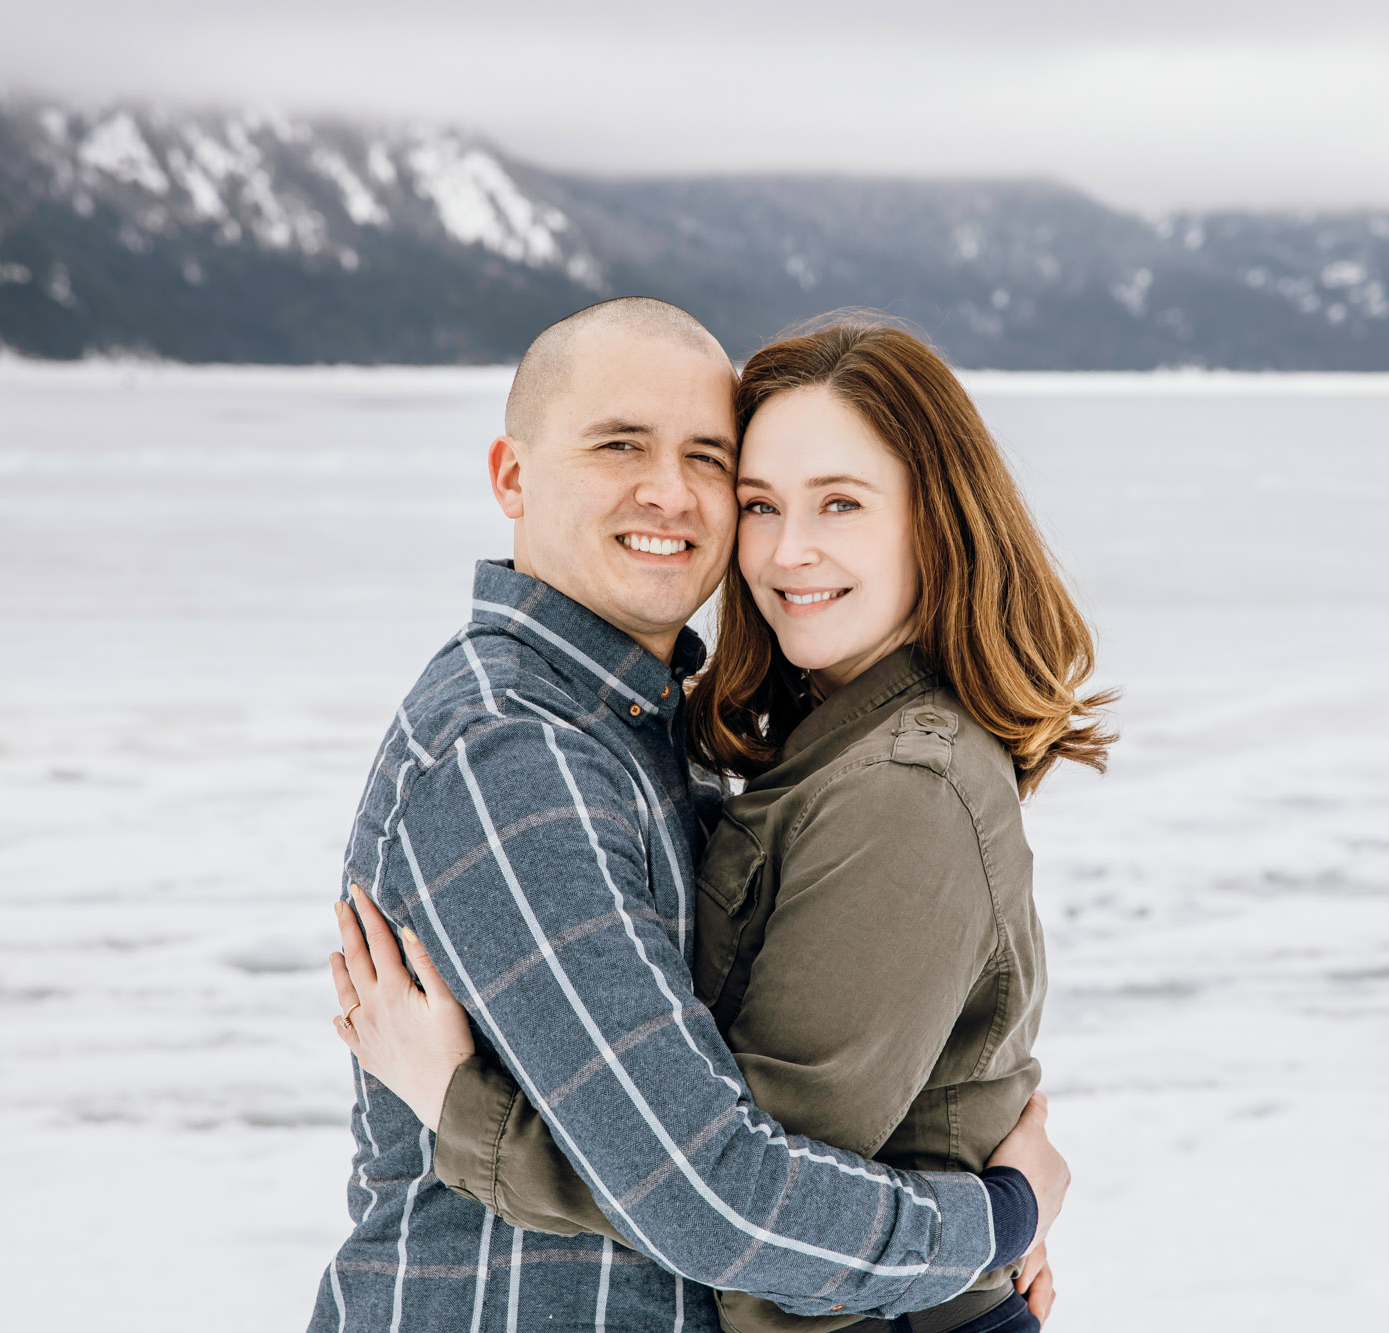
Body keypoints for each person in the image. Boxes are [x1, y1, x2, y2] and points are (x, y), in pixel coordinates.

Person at [328, 315, 1115, 1332]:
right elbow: (718, 1198)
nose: (672, 493)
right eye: (620, 445)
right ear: (512, 477)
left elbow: (731, 1200)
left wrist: (459, 1107)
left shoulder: (828, 764)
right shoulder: (517, 750)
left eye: (707, 459)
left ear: (932, 521)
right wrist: (993, 1225)